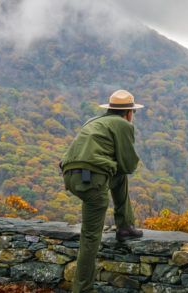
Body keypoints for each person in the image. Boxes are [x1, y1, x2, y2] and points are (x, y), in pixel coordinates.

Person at [60, 89, 144, 293]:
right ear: (129, 112)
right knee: (90, 237)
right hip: (91, 179)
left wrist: (112, 165)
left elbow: (118, 170)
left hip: (71, 174)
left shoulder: (94, 121)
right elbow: (129, 164)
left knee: (118, 176)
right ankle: (82, 289)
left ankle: (124, 226)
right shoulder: (123, 124)